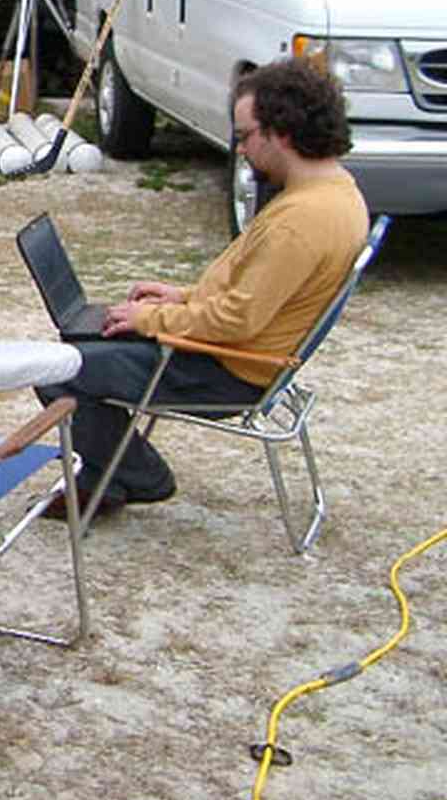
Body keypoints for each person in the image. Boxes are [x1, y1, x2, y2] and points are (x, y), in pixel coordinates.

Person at [36, 56, 369, 517]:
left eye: (245, 136)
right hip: (234, 352)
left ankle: (135, 477)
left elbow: (238, 319)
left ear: (283, 132)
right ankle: (104, 477)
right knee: (85, 342)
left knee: (55, 367)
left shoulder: (301, 222)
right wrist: (182, 297)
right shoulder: (337, 191)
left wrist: (151, 319)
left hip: (225, 369)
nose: (241, 150)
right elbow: (255, 292)